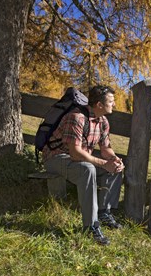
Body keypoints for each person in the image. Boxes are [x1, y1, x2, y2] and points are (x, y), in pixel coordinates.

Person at [43, 85, 124, 246]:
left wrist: (114, 159)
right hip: (56, 158)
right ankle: (90, 226)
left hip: (76, 158)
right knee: (88, 169)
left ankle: (103, 211)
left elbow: (105, 148)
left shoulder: (103, 121)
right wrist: (103, 163)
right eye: (111, 101)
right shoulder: (76, 117)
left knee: (114, 167)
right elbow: (75, 153)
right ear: (99, 105)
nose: (114, 104)